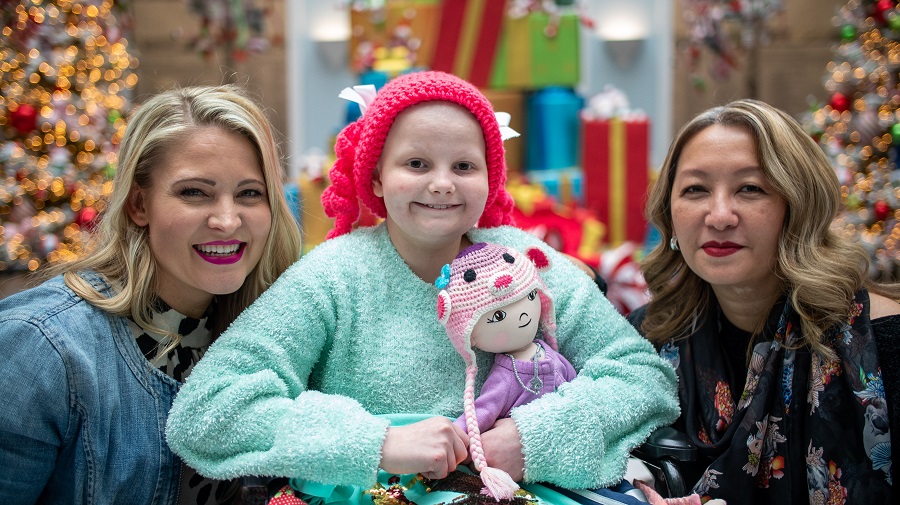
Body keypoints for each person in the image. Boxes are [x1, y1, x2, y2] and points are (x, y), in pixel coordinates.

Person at [165, 71, 679, 502]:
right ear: (375, 180)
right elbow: (209, 407)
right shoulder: (332, 277)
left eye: (464, 166)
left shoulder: (528, 261)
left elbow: (642, 375)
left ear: (489, 179)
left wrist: (534, 438)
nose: (442, 183)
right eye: (416, 164)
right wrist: (375, 440)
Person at [0, 84, 302, 505]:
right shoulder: (42, 347)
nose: (228, 220)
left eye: (250, 193)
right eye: (194, 192)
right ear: (139, 204)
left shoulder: (271, 332)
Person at [628, 98, 900, 504]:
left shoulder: (882, 340)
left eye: (751, 188)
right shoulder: (645, 339)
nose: (719, 215)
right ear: (670, 214)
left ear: (798, 208)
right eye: (695, 189)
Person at [436, 242, 577, 499]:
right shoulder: (504, 376)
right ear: (470, 338)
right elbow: (481, 413)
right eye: (498, 316)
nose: (523, 315)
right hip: (529, 478)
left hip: (568, 455)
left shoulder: (550, 352)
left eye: (531, 297)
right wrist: (451, 441)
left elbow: (577, 390)